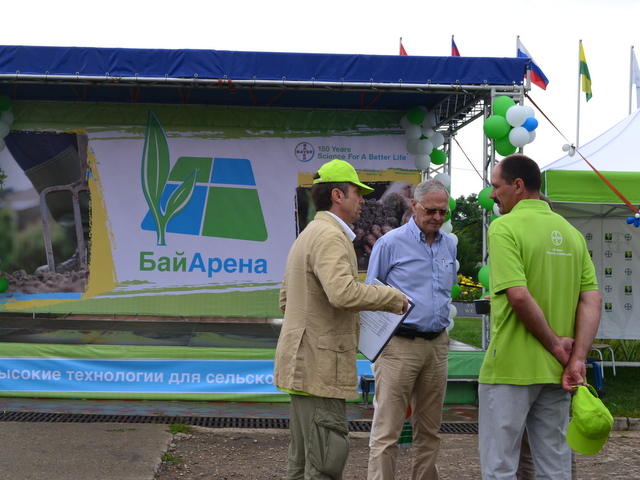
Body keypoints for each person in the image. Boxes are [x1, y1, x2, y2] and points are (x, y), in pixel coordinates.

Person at [274, 158, 408, 480]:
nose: (363, 200)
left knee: (303, 463)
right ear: (337, 195)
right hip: (320, 367)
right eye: (357, 193)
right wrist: (393, 298)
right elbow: (342, 293)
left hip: (305, 366)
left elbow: (285, 302)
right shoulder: (331, 236)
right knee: (324, 463)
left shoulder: (310, 232)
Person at [478, 154, 602, 479]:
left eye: (496, 186)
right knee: (555, 466)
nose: (492, 194)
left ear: (518, 186)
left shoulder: (504, 227)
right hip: (559, 370)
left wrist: (555, 344)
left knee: (500, 467)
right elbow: (592, 299)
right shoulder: (571, 233)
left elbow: (518, 295)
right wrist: (577, 359)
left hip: (510, 367)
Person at [366, 179, 457, 480]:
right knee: (387, 431)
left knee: (430, 432)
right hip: (399, 346)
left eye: (443, 211)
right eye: (431, 210)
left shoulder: (449, 244)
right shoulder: (390, 243)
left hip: (437, 345)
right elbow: (371, 293)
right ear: (415, 206)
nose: (438, 217)